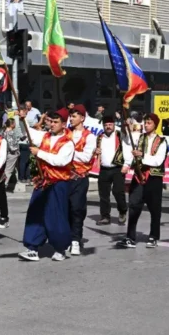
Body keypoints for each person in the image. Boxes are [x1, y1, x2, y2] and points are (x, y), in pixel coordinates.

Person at [17, 109, 74, 262]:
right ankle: (32, 247)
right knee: (35, 212)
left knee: (56, 215)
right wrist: (22, 120)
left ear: (63, 124)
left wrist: (39, 153)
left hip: (58, 183)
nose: (53, 125)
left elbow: (60, 161)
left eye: (56, 122)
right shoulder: (45, 136)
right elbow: (29, 133)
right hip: (42, 181)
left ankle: (60, 247)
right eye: (51, 121)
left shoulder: (68, 143)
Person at [117, 114, 167, 249]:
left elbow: (158, 160)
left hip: (153, 178)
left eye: (149, 123)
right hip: (138, 177)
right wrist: (126, 126)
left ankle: (153, 236)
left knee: (154, 209)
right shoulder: (139, 138)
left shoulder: (162, 141)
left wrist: (142, 156)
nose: (146, 125)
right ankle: (130, 237)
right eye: (145, 123)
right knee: (134, 207)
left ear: (155, 125)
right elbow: (126, 141)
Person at [66, 105, 97, 256]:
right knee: (65, 209)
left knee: (77, 209)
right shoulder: (66, 133)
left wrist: (68, 153)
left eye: (74, 116)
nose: (71, 118)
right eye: (70, 116)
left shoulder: (89, 136)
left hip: (80, 178)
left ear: (82, 118)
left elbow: (86, 157)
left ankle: (75, 240)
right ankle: (67, 238)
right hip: (64, 177)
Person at [95, 115, 132, 225]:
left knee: (118, 191)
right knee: (103, 194)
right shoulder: (100, 137)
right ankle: (105, 216)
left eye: (110, 124)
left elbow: (128, 149)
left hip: (117, 168)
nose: (108, 127)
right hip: (104, 169)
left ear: (114, 125)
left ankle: (122, 210)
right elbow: (96, 150)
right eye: (106, 125)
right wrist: (95, 151)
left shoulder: (120, 135)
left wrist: (127, 164)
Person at [2, 118, 23, 192]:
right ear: (12, 124)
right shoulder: (10, 132)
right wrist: (16, 151)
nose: (15, 124)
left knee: (11, 169)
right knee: (8, 170)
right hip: (12, 154)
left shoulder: (4, 132)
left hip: (8, 153)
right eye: (14, 123)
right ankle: (3, 185)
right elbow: (11, 145)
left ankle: (14, 181)